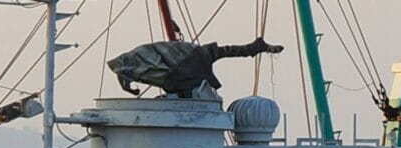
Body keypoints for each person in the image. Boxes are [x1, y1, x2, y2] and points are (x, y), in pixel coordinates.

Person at [108, 37, 284, 98]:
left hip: (185, 61)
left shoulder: (133, 61)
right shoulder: (131, 62)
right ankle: (257, 47)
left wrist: (131, 90)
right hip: (182, 65)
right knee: (221, 52)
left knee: (220, 52)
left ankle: (257, 47)